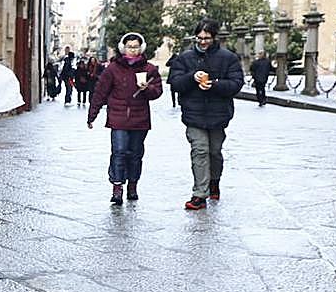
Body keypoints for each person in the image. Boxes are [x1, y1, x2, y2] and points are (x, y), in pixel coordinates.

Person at [167, 19, 244, 210]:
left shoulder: (228, 58)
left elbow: (236, 83)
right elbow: (175, 83)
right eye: (199, 38)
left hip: (218, 114)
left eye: (207, 38)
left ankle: (214, 181)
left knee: (214, 152)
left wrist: (216, 84)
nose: (202, 42)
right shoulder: (184, 58)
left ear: (214, 37)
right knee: (199, 150)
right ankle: (199, 194)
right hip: (194, 115)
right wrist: (192, 77)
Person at [87, 33, 162, 205]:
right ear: (123, 48)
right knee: (119, 152)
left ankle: (133, 185)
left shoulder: (149, 69)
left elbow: (157, 92)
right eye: (129, 46)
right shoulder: (113, 69)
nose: (132, 50)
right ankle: (117, 186)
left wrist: (147, 88)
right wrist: (92, 114)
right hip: (118, 118)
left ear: (141, 48)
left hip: (139, 119)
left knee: (135, 154)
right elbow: (100, 92)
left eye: (136, 46)